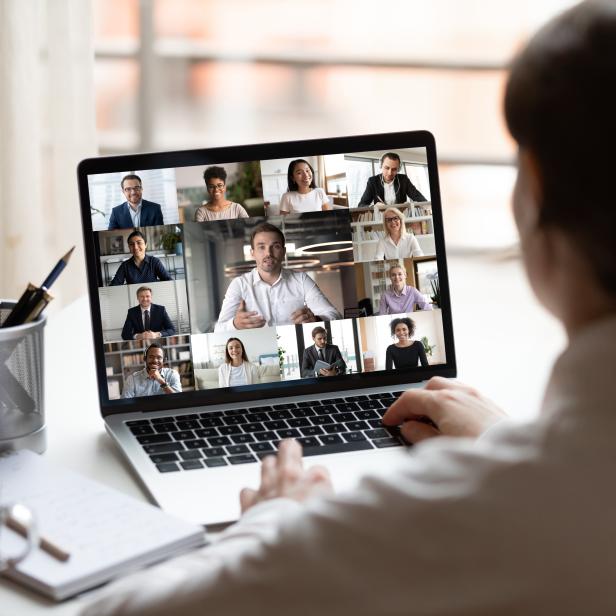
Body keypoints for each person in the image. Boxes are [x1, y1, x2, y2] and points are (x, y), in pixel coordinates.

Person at [83, 3, 616, 613]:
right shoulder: (541, 480)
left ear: (536, 188)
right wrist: (509, 444)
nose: (264, 253)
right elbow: (214, 327)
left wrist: (277, 523)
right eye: (258, 247)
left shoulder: (450, 514)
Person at [215, 222, 341, 331]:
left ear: (284, 252)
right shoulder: (239, 285)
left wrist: (316, 319)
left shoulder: (301, 279)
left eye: (275, 247)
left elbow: (334, 315)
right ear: (252, 253)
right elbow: (218, 329)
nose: (268, 253)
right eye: (261, 247)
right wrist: (235, 324)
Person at [358, 152, 426, 206]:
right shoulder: (372, 181)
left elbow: (421, 200)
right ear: (381, 166)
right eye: (387, 168)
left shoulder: (404, 180)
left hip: (400, 216)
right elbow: (361, 205)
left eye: (394, 169)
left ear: (398, 169)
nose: (390, 173)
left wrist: (411, 205)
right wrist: (374, 207)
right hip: (381, 216)